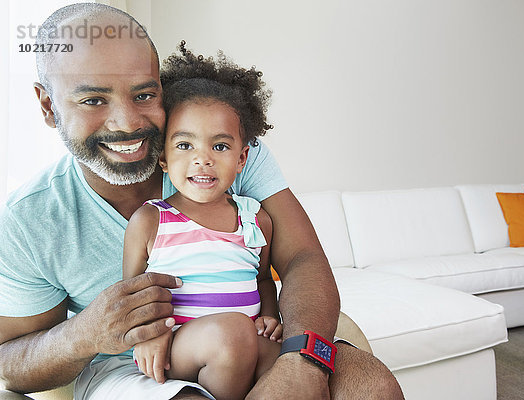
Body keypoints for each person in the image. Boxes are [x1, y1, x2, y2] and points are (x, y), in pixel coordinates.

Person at [0, 3, 403, 399]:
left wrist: (302, 363)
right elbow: (10, 361)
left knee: (369, 385)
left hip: (250, 339)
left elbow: (302, 258)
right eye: (93, 100)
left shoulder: (220, 155)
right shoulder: (30, 218)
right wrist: (84, 334)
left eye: (144, 94)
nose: (126, 123)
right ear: (48, 105)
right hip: (134, 365)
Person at [123, 44, 283, 399]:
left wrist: (271, 315)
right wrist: (152, 334)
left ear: (242, 158)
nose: (202, 160)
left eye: (220, 147)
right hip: (179, 345)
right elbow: (133, 293)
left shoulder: (254, 218)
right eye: (184, 146)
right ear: (162, 158)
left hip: (243, 339)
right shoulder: (152, 220)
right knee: (233, 335)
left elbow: (262, 278)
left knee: (286, 359)